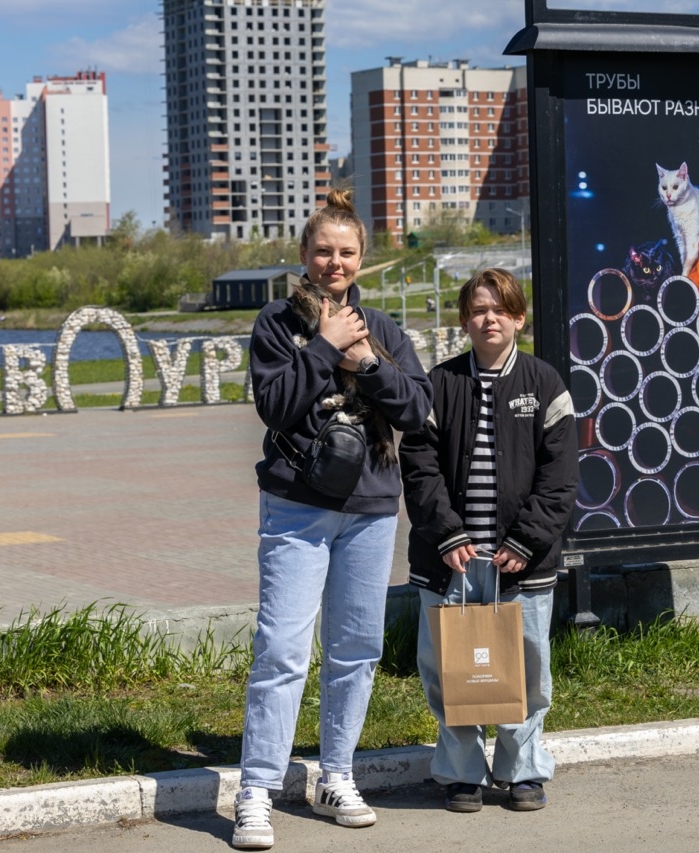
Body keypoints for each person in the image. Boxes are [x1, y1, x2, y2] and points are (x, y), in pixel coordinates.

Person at [234, 188, 432, 850]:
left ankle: (337, 773)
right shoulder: (275, 325)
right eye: (323, 251)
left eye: (346, 252)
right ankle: (256, 790)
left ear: (361, 260)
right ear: (303, 255)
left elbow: (417, 409)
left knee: (356, 648)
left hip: (372, 511)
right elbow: (277, 405)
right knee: (283, 649)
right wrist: (322, 345)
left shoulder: (385, 330)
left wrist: (366, 362)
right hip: (296, 507)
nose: (334, 262)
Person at [400, 268, 579, 815]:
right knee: (451, 671)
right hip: (449, 561)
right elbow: (419, 466)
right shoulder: (439, 383)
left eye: (500, 309)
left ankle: (522, 771)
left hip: (520, 564)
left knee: (525, 669)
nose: (489, 318)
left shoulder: (544, 384)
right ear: (464, 321)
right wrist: (447, 533)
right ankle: (461, 774)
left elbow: (560, 477)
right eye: (478, 310)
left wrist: (524, 542)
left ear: (519, 318)